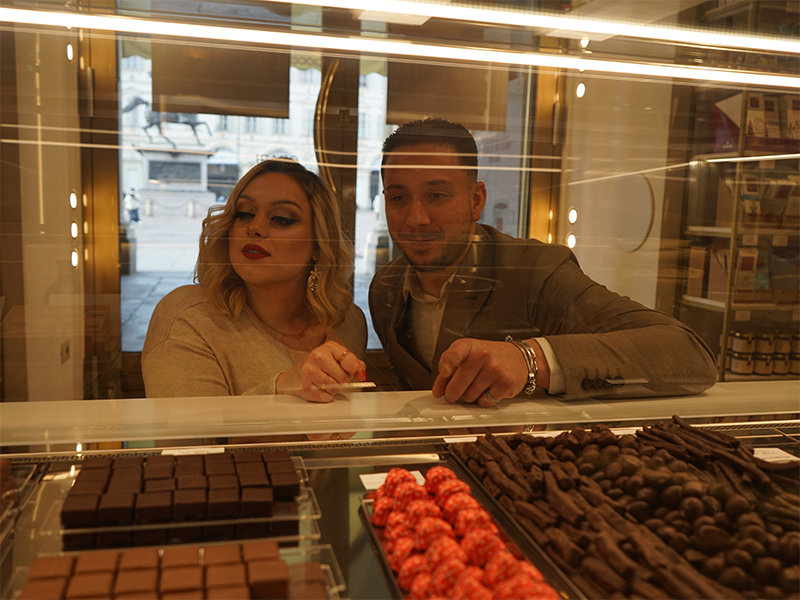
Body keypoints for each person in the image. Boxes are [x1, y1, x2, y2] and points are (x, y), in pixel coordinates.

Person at [369, 118, 718, 407]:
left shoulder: (534, 271)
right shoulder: (385, 287)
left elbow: (688, 355)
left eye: (437, 195)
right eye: (398, 197)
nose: (416, 218)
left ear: (476, 200)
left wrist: (529, 359)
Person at [142, 159, 367, 402]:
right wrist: (282, 388)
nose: (255, 227)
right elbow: (188, 426)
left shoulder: (348, 322)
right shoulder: (188, 316)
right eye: (245, 214)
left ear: (318, 245)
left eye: (280, 218)